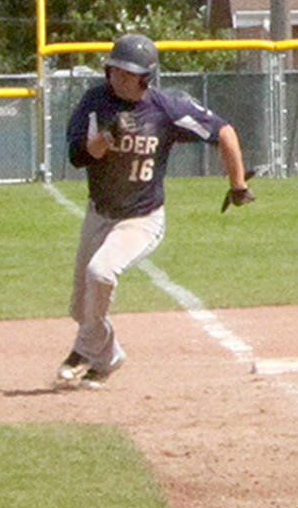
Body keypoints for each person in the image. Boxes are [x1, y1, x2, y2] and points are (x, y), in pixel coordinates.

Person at [56, 32, 252, 389]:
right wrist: (102, 140)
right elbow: (76, 156)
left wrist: (238, 185)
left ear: (146, 77)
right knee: (80, 310)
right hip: (100, 214)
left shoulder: (166, 107)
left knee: (101, 273)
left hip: (141, 219)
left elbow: (224, 132)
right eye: (114, 69)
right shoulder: (95, 102)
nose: (117, 76)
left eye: (127, 72)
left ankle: (83, 352)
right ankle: (109, 356)